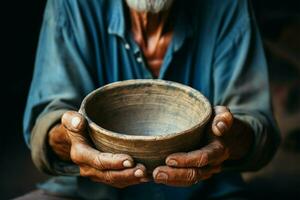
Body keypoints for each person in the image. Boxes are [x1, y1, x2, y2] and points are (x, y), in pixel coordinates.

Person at [20, 0, 280, 199]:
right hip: (87, 193)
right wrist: (71, 140)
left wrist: (226, 138)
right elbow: (45, 126)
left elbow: (260, 132)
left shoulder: (227, 6)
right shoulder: (72, 5)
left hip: (206, 191)